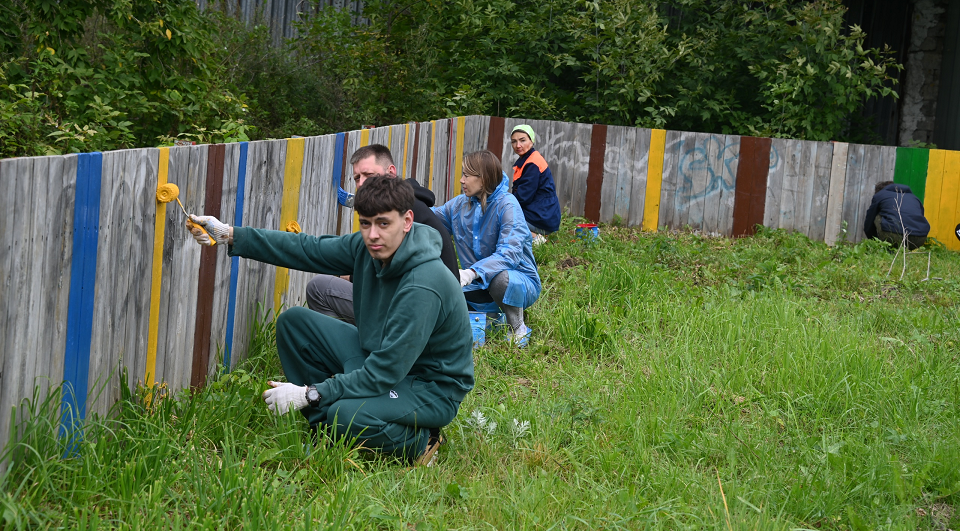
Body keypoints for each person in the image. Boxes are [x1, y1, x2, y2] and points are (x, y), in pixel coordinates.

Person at [188, 176, 474, 465]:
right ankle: (329, 428)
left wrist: (311, 393)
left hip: (429, 386)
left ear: (407, 220)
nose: (373, 234)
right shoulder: (369, 249)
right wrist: (230, 234)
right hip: (380, 357)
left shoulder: (423, 284)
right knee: (295, 323)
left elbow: (384, 372)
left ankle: (421, 441)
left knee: (346, 416)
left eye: (384, 223)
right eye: (365, 223)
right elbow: (308, 248)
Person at [306, 144, 459, 324]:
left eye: (368, 175)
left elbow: (393, 272)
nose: (361, 183)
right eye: (357, 178)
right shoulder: (402, 204)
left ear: (391, 172)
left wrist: (350, 276)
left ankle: (352, 347)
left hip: (426, 313)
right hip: (422, 305)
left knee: (319, 287)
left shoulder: (404, 210)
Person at [433, 150, 541, 347]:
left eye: (466, 175)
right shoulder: (459, 205)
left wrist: (473, 272)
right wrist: (406, 203)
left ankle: (517, 327)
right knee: (440, 296)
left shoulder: (507, 205)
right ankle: (492, 318)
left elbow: (509, 254)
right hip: (477, 283)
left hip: (518, 281)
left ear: (483, 179)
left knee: (502, 280)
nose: (461, 180)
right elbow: (431, 219)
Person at [510, 124, 561, 245]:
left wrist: (503, 204)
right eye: (514, 141)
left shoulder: (532, 164)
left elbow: (523, 197)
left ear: (531, 141)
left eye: (522, 140)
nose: (518, 145)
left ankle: (535, 238)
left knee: (503, 216)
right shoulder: (528, 160)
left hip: (542, 217)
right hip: (541, 214)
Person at [863, 181, 929, 250]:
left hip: (893, 237)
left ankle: (887, 248)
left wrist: (873, 240)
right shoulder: (915, 198)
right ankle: (905, 251)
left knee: (877, 214)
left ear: (878, 191)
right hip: (919, 239)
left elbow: (869, 222)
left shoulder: (880, 195)